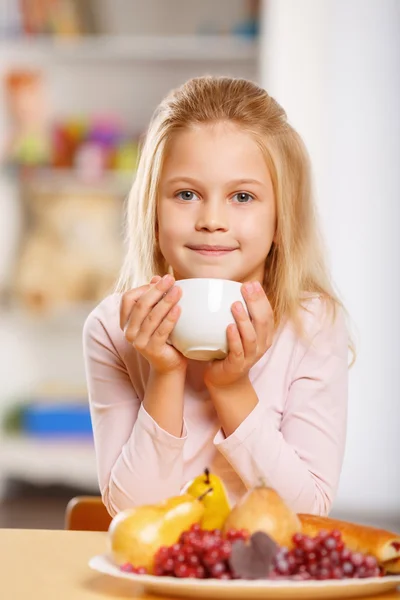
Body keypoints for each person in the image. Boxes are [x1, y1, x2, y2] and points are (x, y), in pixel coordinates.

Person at [83, 76, 353, 519]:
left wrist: (232, 388)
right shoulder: (113, 329)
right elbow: (132, 510)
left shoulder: (313, 323)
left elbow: (307, 513)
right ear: (153, 212)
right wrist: (164, 374)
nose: (212, 219)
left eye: (242, 196)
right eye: (186, 194)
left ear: (282, 218)